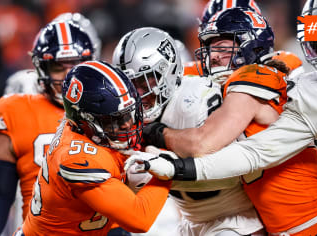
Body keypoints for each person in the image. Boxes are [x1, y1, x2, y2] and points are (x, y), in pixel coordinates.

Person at [132, 0, 317, 235]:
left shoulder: (257, 80)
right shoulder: (299, 84)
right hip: (274, 217)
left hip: (301, 218)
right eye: (210, 47)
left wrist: (156, 133)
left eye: (225, 47)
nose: (214, 57)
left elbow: (207, 144)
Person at [113, 27, 264, 236]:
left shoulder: (194, 99)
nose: (138, 93)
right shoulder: (126, 113)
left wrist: (164, 163)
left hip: (234, 221)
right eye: (130, 84)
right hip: (190, 223)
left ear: (166, 72)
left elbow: (229, 171)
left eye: (144, 80)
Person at [18, 60, 170, 235]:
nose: (128, 124)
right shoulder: (78, 158)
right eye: (114, 120)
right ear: (85, 121)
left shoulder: (84, 130)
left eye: (129, 113)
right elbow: (140, 220)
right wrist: (167, 169)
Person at [0, 20, 95, 236]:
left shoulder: (108, 112)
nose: (68, 77)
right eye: (58, 67)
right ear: (41, 68)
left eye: (75, 66)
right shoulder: (16, 109)